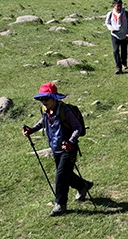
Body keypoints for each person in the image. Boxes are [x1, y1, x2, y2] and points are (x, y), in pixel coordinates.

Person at [23, 82, 92, 217]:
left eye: (46, 99)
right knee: (65, 174)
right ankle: (83, 185)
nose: (43, 102)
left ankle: (60, 205)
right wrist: (31, 130)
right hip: (55, 148)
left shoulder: (64, 111)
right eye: (41, 99)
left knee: (60, 176)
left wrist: (71, 142)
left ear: (54, 98)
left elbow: (77, 127)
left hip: (68, 149)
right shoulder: (45, 110)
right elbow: (42, 122)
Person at [104, 0, 128, 74]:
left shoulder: (126, 14)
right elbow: (107, 23)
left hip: (125, 35)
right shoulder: (110, 14)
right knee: (115, 50)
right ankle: (118, 67)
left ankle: (124, 62)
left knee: (124, 50)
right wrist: (111, 28)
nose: (119, 8)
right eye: (118, 6)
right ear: (113, 6)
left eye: (121, 6)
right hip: (114, 35)